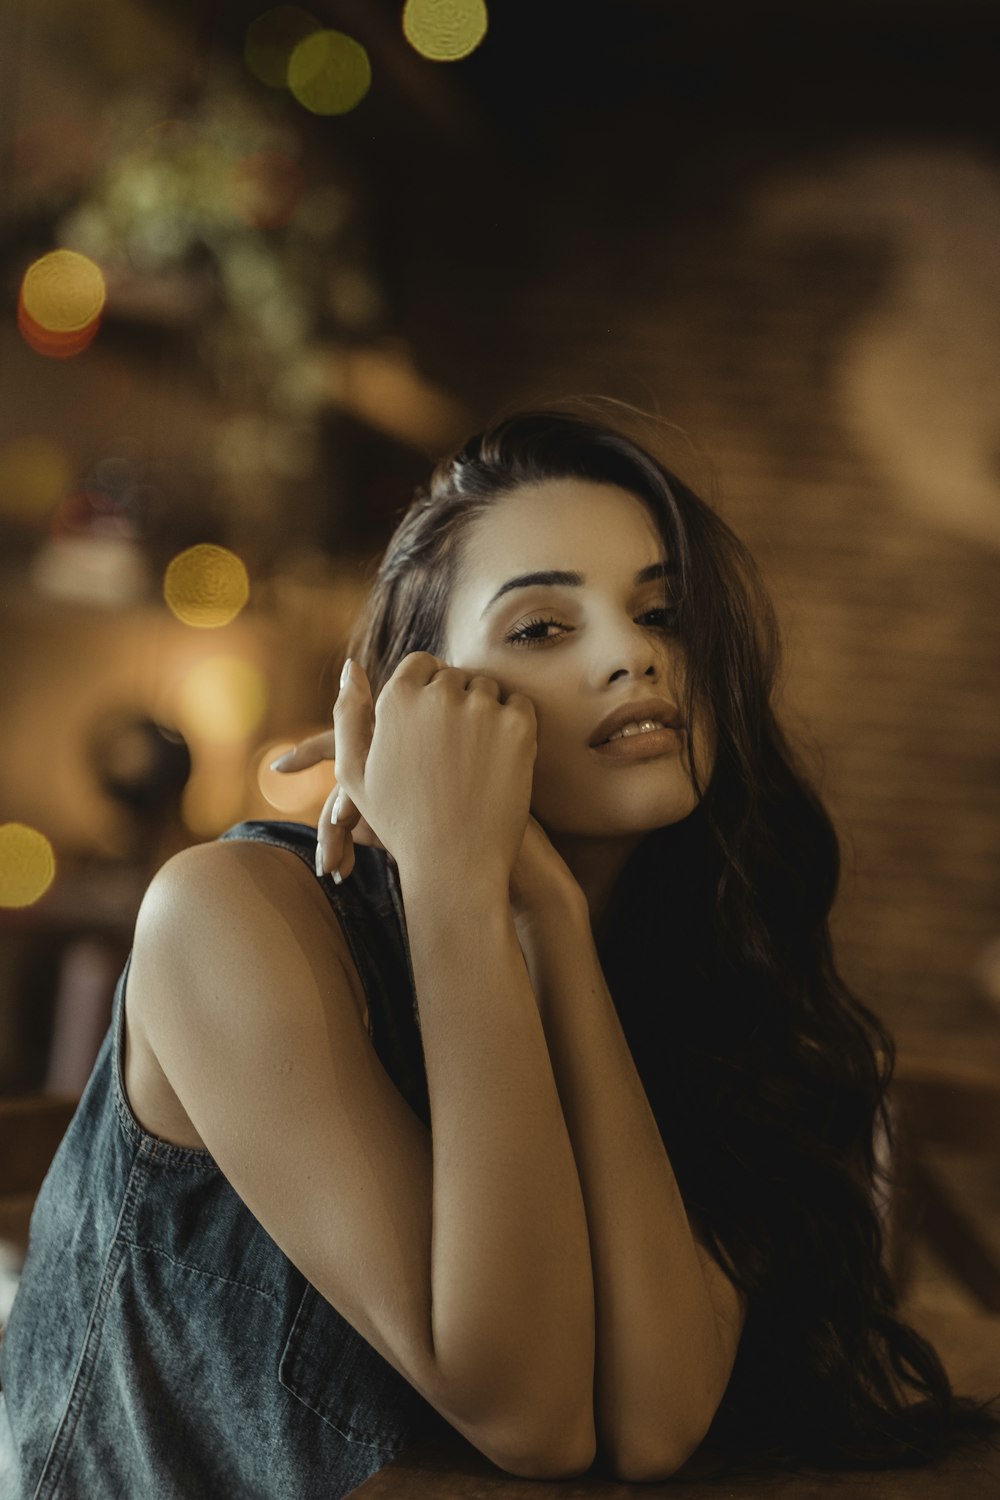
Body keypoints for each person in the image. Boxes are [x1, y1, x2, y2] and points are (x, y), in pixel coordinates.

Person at [1, 404, 997, 1497]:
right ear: (412, 700)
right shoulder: (230, 916)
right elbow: (532, 1417)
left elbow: (656, 1422)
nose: (634, 658)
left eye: (661, 612)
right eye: (540, 628)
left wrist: (549, 924)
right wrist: (456, 885)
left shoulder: (693, 963)